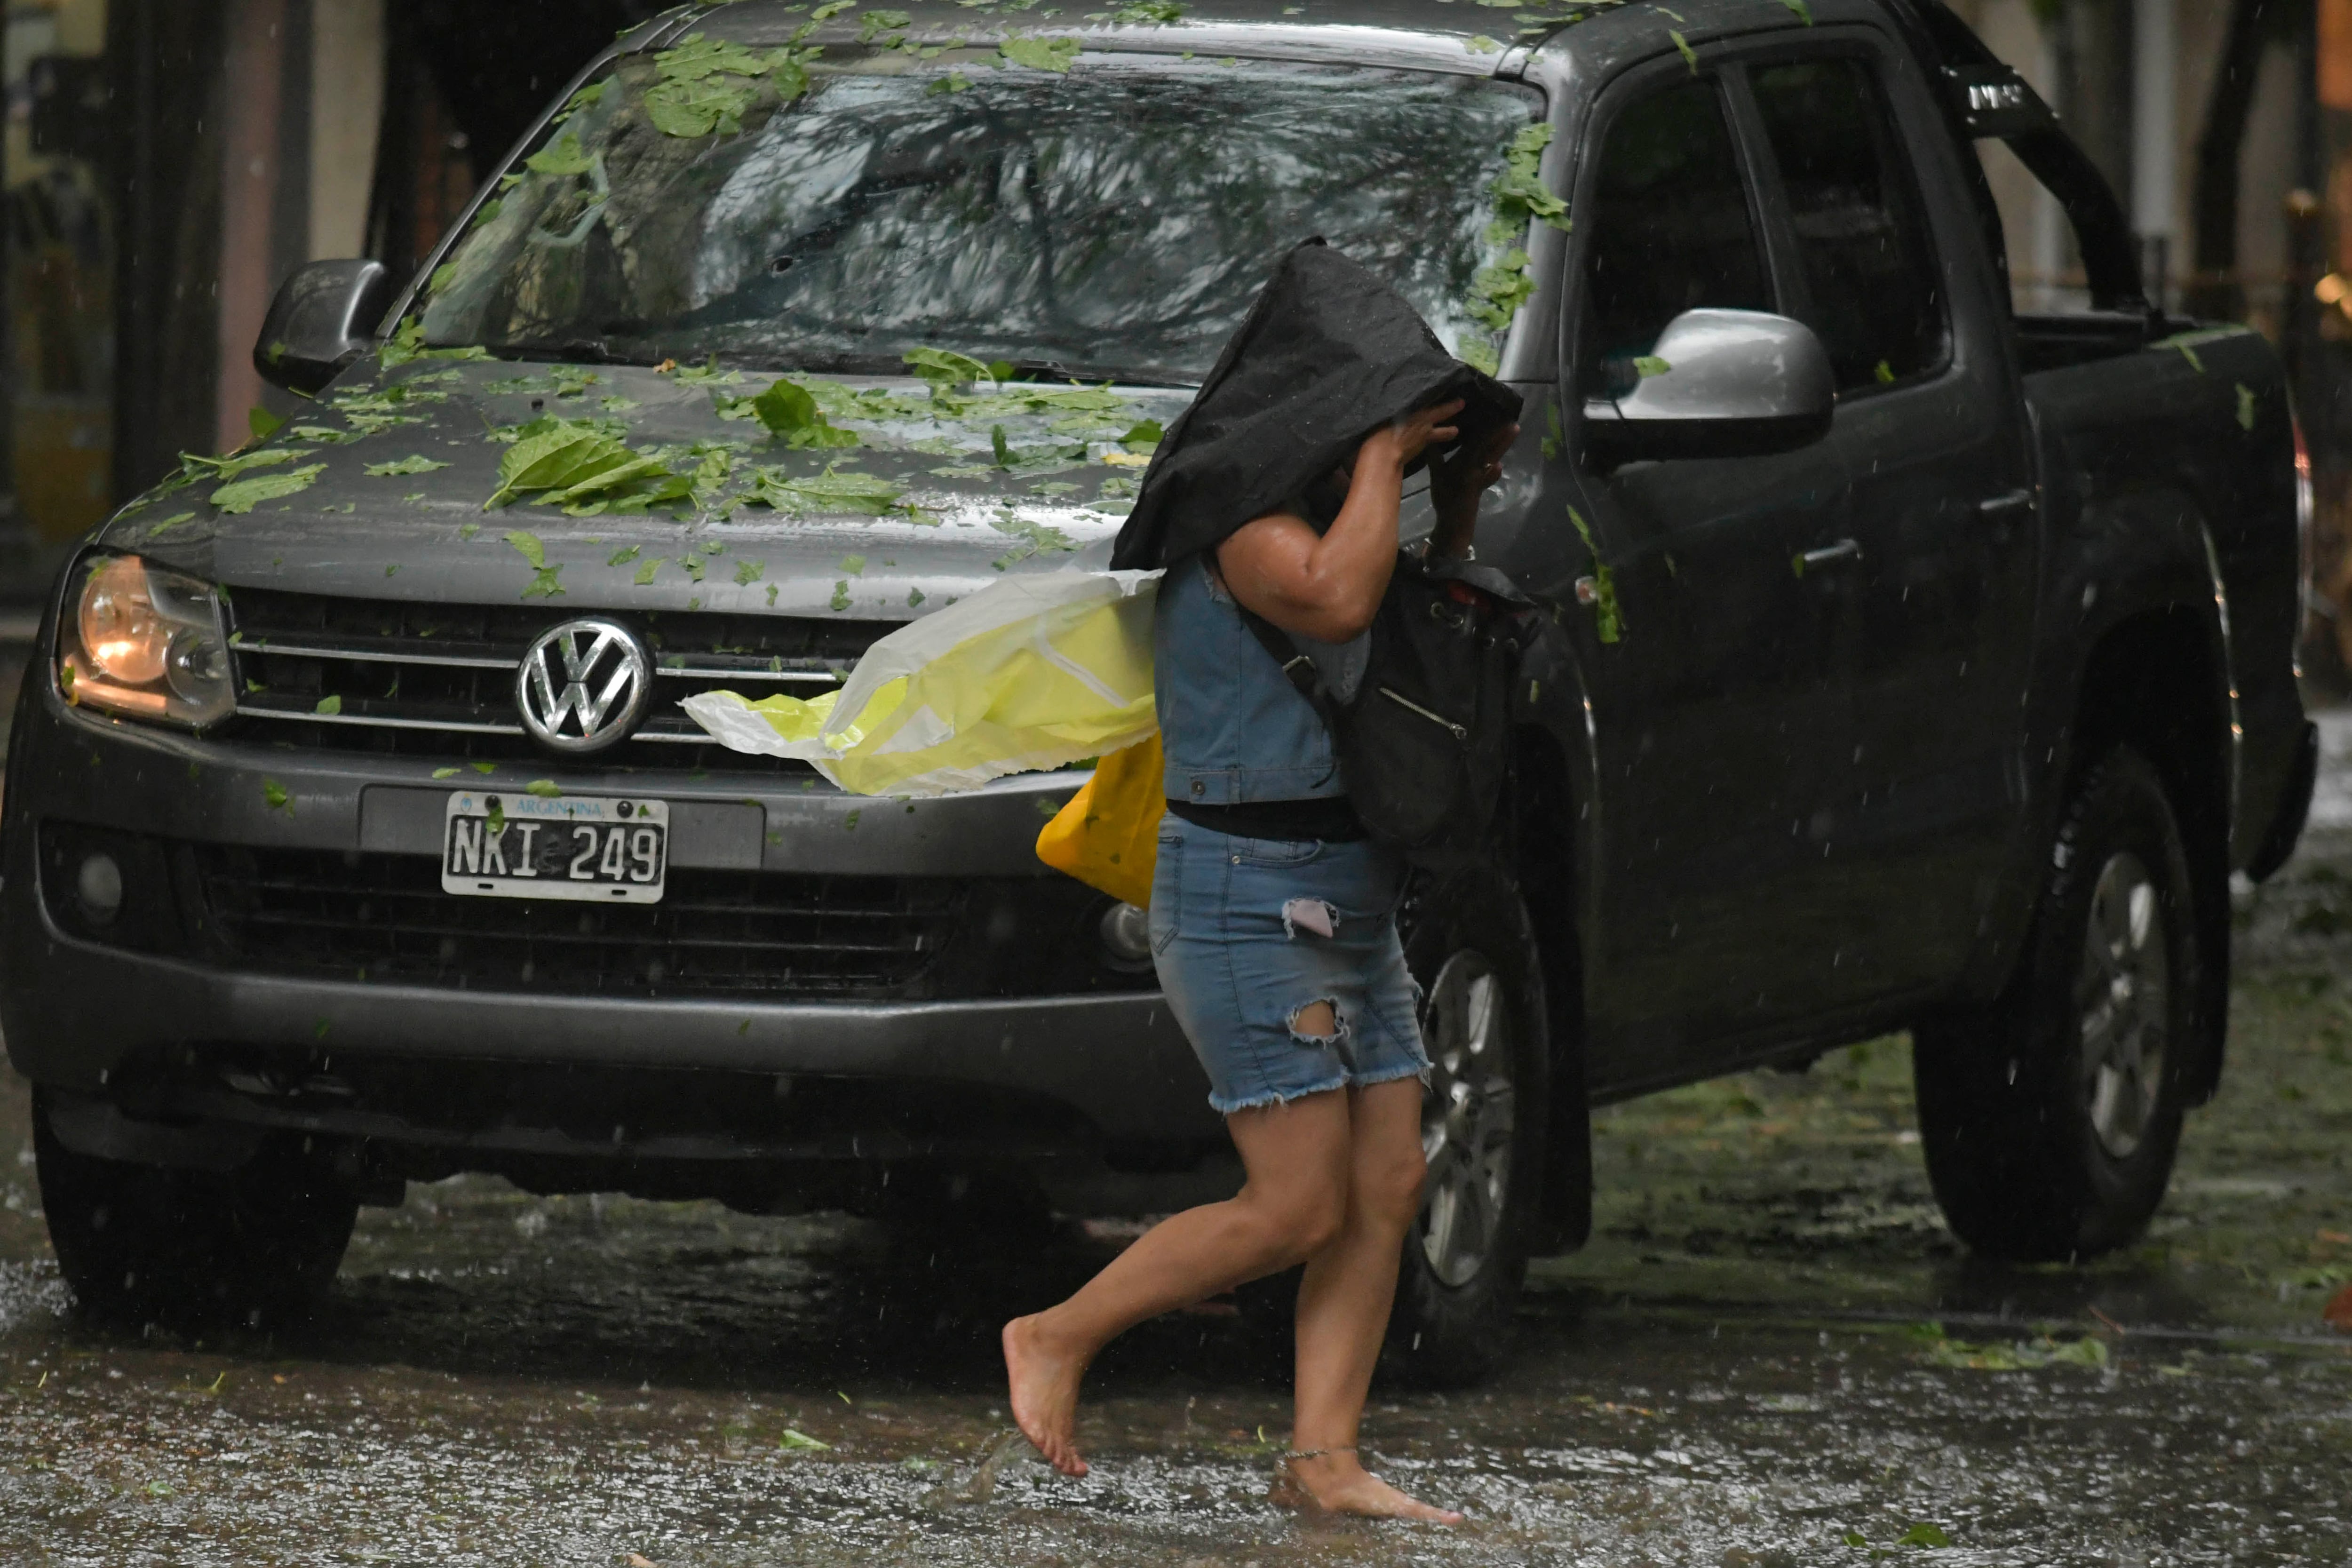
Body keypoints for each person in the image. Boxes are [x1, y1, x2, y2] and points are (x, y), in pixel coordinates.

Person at [1002, 394, 1519, 1523]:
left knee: (1385, 1183)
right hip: (1245, 898)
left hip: (1350, 901)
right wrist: (1387, 454)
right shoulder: (1244, 524)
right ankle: (1052, 1335)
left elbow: (1410, 619)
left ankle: (1323, 1460)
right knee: (1294, 1205)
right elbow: (1338, 597)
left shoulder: (1336, 513)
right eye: (1372, 423)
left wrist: (1461, 494)